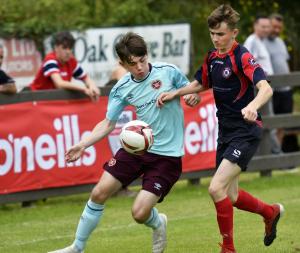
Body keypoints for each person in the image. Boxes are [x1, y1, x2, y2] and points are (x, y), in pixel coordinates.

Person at [48, 32, 199, 253]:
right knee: (99, 192)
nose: (139, 67)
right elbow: (108, 124)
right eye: (133, 64)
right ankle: (77, 247)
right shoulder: (121, 89)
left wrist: (189, 97)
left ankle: (159, 223)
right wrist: (83, 144)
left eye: (142, 60)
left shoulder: (167, 72)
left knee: (139, 214)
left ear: (147, 55)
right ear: (122, 64)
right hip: (136, 148)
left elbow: (190, 91)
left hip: (167, 156)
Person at [157, 5, 284, 253]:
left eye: (221, 34)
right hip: (225, 133)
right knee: (231, 196)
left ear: (234, 33)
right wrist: (176, 94)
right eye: (213, 34)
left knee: (215, 188)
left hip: (246, 131)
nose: (216, 39)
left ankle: (228, 249)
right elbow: (200, 83)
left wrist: (253, 106)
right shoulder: (212, 57)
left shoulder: (242, 56)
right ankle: (271, 212)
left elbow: (265, 88)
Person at [244, 15, 282, 154]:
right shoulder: (252, 41)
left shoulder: (261, 41)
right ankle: (276, 155)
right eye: (263, 26)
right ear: (255, 26)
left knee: (266, 122)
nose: (266, 29)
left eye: (268, 27)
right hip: (258, 89)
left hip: (264, 88)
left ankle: (271, 155)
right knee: (266, 122)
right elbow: (248, 65)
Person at [29, 31, 99, 101]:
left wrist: (92, 86)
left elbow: (86, 78)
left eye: (70, 48)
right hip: (33, 99)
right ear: (56, 48)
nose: (68, 52)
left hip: (51, 101)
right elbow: (59, 84)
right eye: (64, 48)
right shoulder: (50, 60)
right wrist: (84, 89)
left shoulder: (71, 61)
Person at [264, 13, 296, 150]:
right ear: (268, 25)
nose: (276, 30)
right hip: (272, 90)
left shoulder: (281, 42)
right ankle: (271, 154)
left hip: (286, 90)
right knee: (270, 124)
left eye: (279, 28)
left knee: (282, 124)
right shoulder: (262, 43)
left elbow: (284, 63)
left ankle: (278, 153)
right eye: (274, 27)